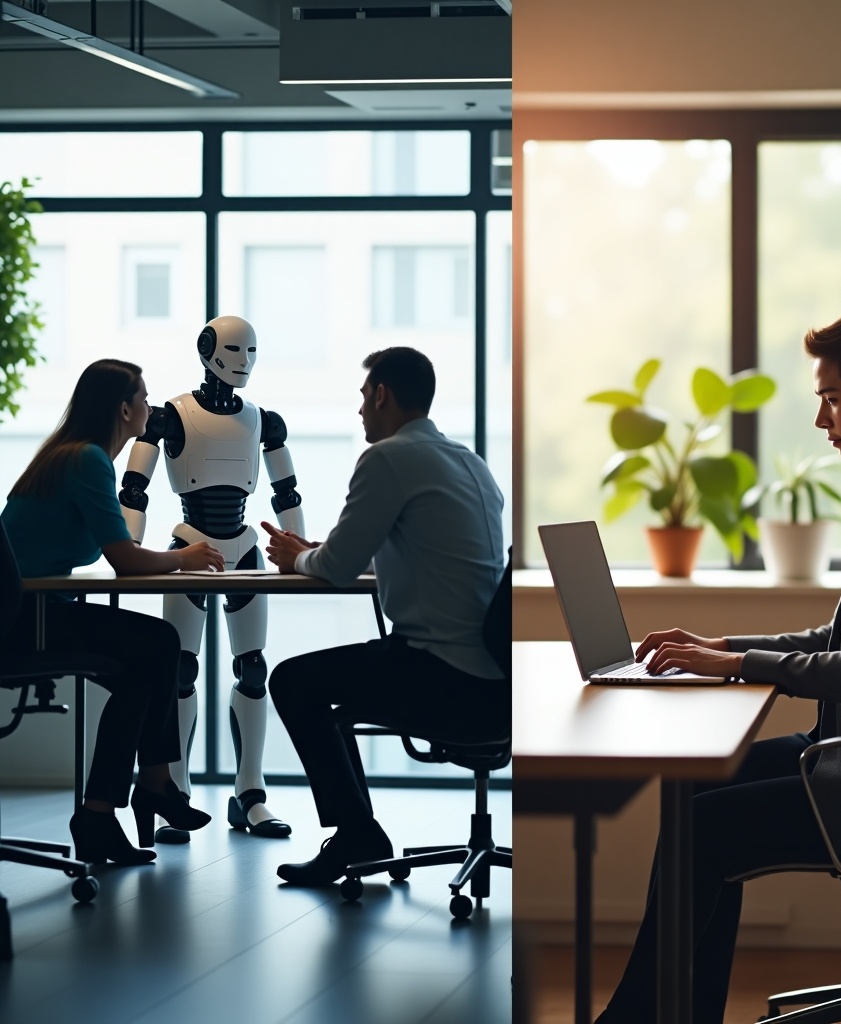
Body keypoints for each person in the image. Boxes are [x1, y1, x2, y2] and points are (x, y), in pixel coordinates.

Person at [596, 306, 841, 1023]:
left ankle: (642, 1018)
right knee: (695, 790)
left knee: (700, 834)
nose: (821, 420)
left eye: (831, 398)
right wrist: (725, 653)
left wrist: (742, 665)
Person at [261, 346, 507, 884]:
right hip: (494, 681)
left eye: (362, 399)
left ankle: (356, 835)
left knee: (293, 680)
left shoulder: (388, 458)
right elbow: (396, 548)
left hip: (443, 677)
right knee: (332, 683)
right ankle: (358, 832)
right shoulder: (470, 462)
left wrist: (295, 557)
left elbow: (338, 568)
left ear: (381, 394)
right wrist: (319, 551)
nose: (359, 413)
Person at [1, 359, 224, 866]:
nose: (150, 406)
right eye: (143, 397)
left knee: (147, 663)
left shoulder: (67, 456)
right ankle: (145, 790)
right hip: (26, 622)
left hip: (29, 613)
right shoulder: (87, 460)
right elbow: (124, 561)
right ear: (125, 409)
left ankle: (116, 806)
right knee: (160, 644)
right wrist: (185, 559)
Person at [118, 315, 304, 842]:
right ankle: (175, 789)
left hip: (244, 549)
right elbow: (135, 488)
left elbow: (286, 491)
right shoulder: (170, 416)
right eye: (234, 348)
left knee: (253, 668)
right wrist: (131, 549)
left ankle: (251, 793)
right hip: (190, 547)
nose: (243, 359)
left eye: (251, 349)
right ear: (208, 351)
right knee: (180, 670)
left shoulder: (264, 420)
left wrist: (299, 549)